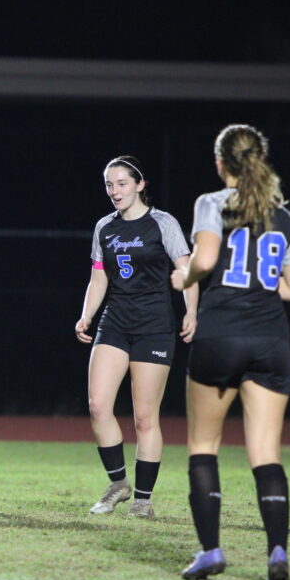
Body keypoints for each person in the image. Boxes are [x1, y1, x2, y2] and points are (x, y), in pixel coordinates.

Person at [171, 124, 290, 580]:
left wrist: (184, 275)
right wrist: (259, 283)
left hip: (222, 335)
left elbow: (206, 260)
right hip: (271, 340)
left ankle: (211, 549)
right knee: (266, 452)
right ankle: (277, 554)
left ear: (220, 163)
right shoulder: (283, 217)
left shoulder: (213, 203)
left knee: (203, 445)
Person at [74, 156, 198, 519]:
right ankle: (118, 484)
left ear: (140, 184)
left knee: (145, 417)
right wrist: (87, 315)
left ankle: (143, 499)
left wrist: (191, 311)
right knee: (98, 405)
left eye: (122, 183)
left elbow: (185, 268)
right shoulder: (104, 228)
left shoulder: (163, 223)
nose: (115, 191)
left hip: (154, 326)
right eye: (109, 185)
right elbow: (99, 277)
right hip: (114, 323)